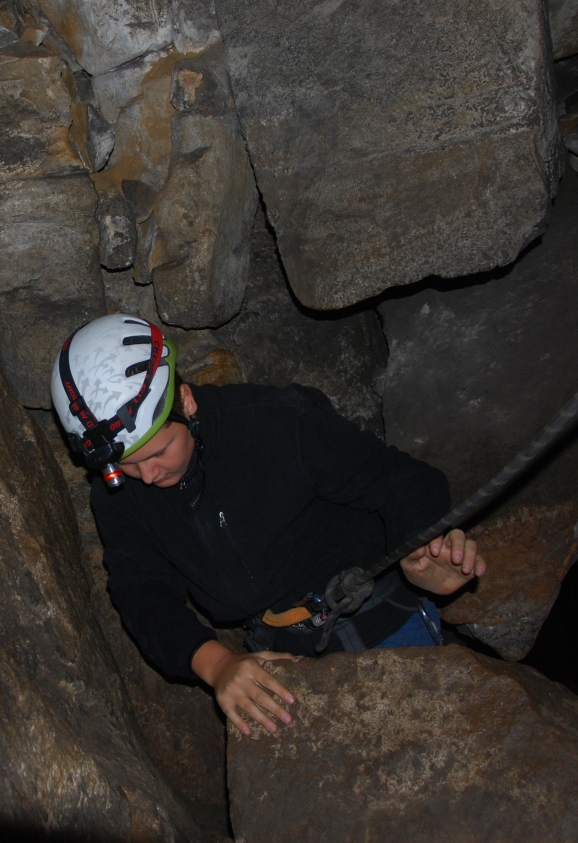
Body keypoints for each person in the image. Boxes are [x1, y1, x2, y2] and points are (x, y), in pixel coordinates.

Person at [51, 314, 486, 737]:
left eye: (158, 452)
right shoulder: (120, 495)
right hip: (280, 658)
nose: (147, 476)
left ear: (186, 401)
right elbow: (142, 591)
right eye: (127, 466)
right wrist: (216, 664)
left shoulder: (276, 421)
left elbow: (400, 480)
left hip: (379, 617)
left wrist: (420, 546)